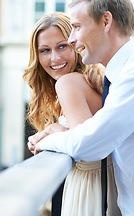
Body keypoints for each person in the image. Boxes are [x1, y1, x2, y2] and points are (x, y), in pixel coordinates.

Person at [34, 0, 134, 216]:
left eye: (76, 27)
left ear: (106, 21)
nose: (72, 39)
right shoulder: (118, 76)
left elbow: (89, 144)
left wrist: (45, 141)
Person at [24, 12, 121, 216]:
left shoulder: (67, 83)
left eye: (62, 46)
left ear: (76, 44)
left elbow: (85, 146)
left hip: (89, 187)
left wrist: (54, 133)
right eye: (45, 50)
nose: (55, 58)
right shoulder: (93, 79)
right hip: (108, 187)